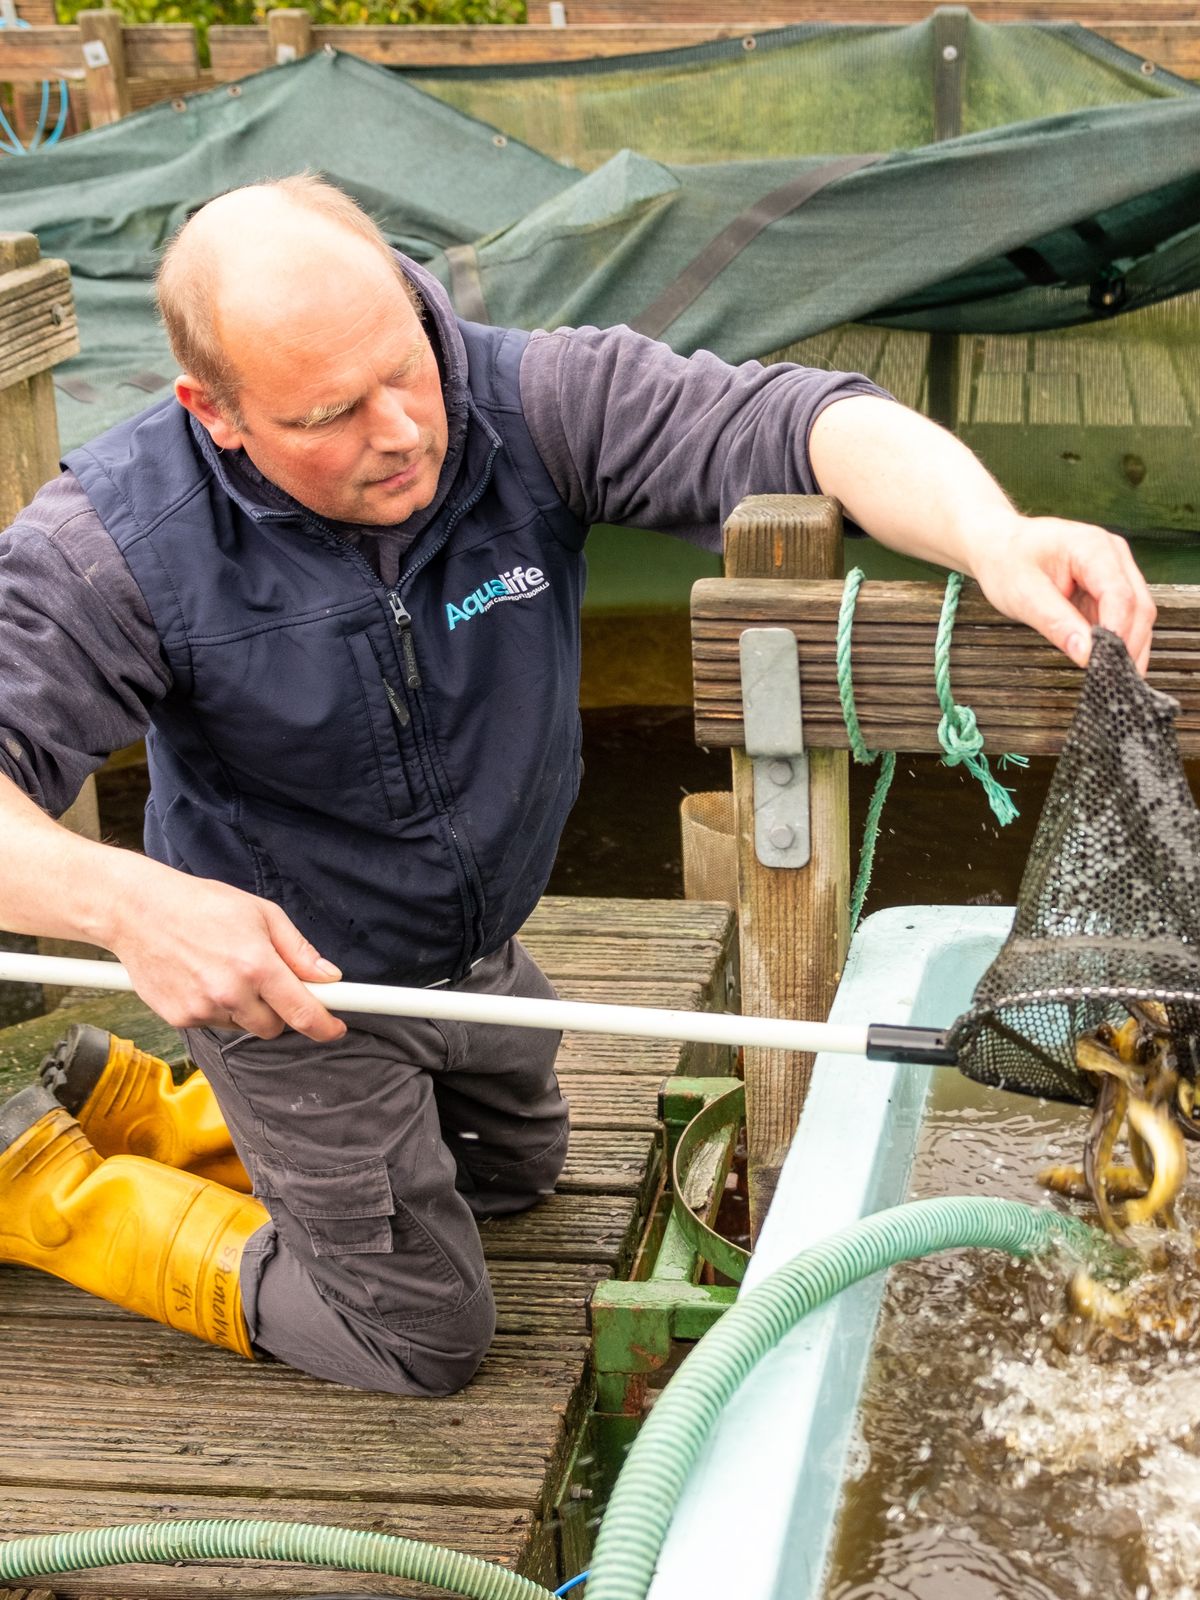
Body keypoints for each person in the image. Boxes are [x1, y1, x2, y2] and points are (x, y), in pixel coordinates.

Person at [0, 175, 1156, 1395]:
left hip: (474, 954)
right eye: (333, 412)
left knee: (518, 1173)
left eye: (409, 364)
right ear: (215, 412)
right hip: (290, 988)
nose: (402, 431)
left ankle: (143, 1102)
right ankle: (42, 1183)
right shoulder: (110, 545)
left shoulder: (529, 400)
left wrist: (993, 532)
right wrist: (130, 905)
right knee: (419, 1338)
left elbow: (807, 420)